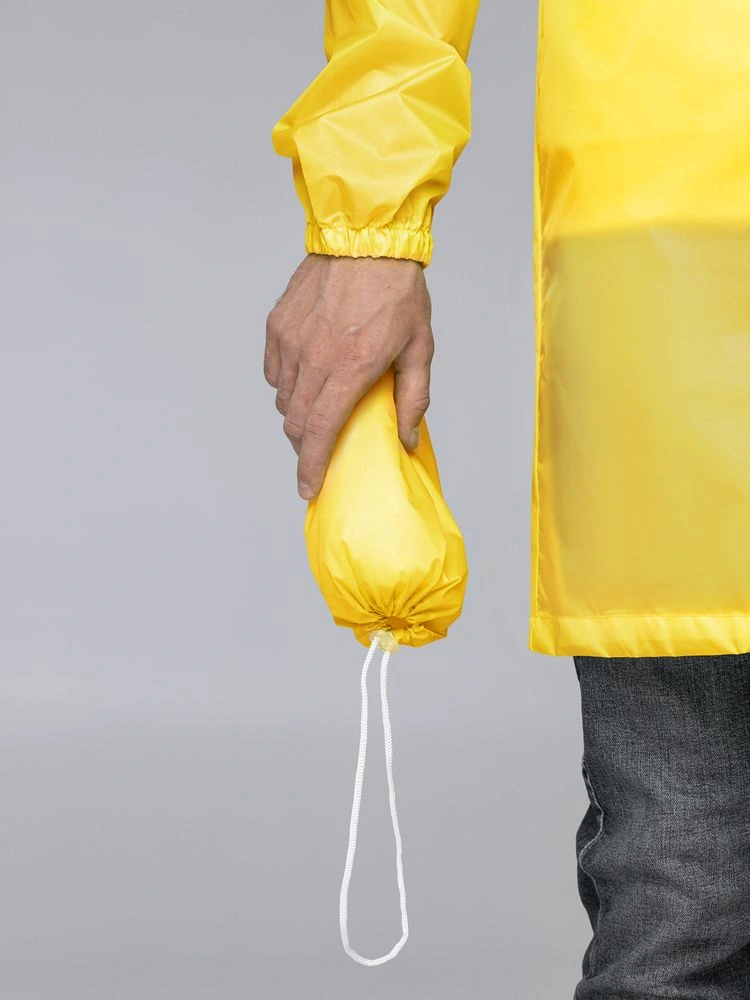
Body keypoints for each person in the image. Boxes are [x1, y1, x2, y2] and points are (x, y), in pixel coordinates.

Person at [264, 2, 750, 996]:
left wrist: (369, 227)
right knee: (688, 887)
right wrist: (366, 231)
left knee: (687, 891)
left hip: (671, 235)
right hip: (685, 250)